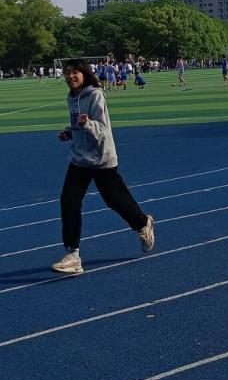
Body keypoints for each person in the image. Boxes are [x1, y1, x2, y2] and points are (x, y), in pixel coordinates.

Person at [51, 59, 155, 276]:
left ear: (84, 74)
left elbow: (102, 128)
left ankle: (143, 224)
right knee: (68, 201)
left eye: (75, 72)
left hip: (101, 158)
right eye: (67, 72)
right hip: (80, 158)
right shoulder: (71, 97)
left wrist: (87, 124)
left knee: (115, 200)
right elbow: (78, 123)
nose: (70, 76)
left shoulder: (95, 95)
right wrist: (70, 133)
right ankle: (73, 255)